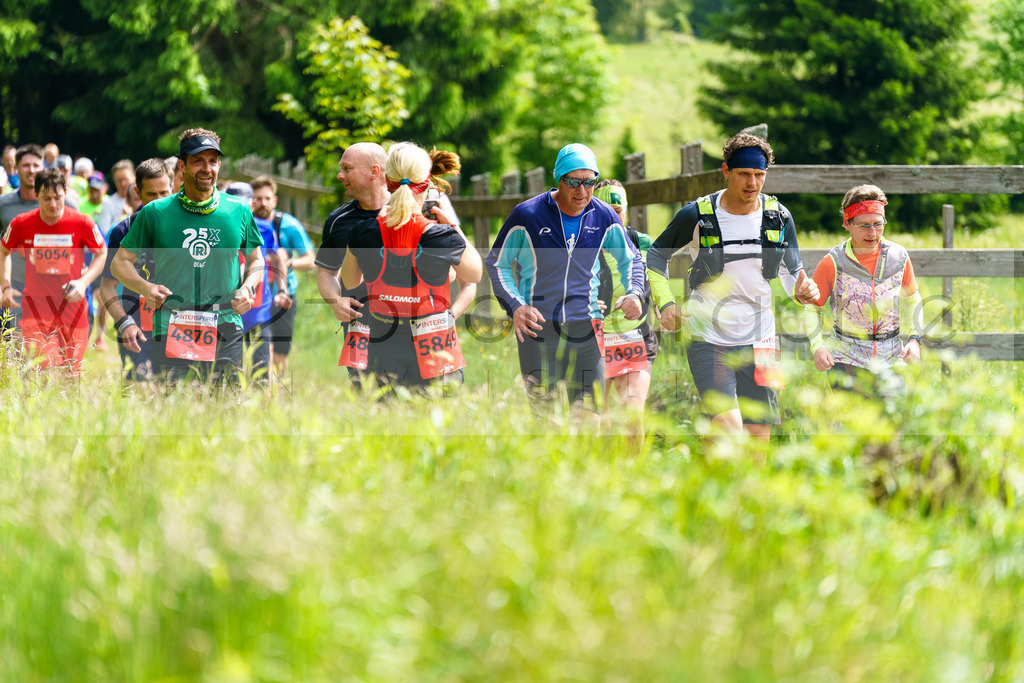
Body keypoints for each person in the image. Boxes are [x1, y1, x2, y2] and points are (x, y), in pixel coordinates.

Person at [646, 133, 819, 441]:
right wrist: (666, 303)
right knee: (728, 428)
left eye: (759, 175)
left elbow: (793, 273)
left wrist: (803, 291)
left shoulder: (778, 216)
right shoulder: (697, 214)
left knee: (757, 438)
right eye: (743, 174)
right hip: (708, 336)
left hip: (762, 339)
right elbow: (655, 257)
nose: (752, 183)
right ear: (726, 171)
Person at [486, 143, 645, 405]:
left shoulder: (603, 216)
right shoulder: (528, 214)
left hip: (587, 329)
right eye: (573, 182)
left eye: (590, 182)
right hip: (538, 328)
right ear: (559, 179)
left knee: (587, 418)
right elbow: (496, 263)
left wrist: (635, 292)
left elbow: (631, 259)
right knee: (545, 419)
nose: (582, 191)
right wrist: (516, 306)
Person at [111, 128, 264, 383]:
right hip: (172, 324)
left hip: (225, 321)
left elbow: (256, 259)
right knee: (177, 409)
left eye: (213, 161)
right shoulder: (156, 212)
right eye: (198, 161)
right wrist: (146, 287)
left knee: (225, 408)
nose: (207, 168)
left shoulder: (238, 210)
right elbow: (119, 263)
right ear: (181, 166)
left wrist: (248, 287)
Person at [339, 142, 482, 390]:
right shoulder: (441, 236)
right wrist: (454, 228)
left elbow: (351, 282)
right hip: (434, 342)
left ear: (387, 181)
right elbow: (475, 274)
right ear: (427, 184)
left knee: (385, 422)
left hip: (381, 343)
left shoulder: (362, 232)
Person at [803, 184, 923, 394]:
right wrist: (817, 346)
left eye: (878, 224)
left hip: (892, 359)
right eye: (864, 225)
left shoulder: (899, 257)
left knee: (891, 425)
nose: (872, 232)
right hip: (846, 358)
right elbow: (813, 308)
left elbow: (912, 299)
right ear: (847, 223)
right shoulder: (832, 262)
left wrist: (915, 340)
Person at [0, 168, 106, 376]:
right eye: (46, 198)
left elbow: (101, 253)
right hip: (36, 309)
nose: (53, 204)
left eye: (58, 197)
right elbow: (4, 250)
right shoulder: (21, 223)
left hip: (73, 309)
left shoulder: (82, 222)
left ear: (65, 193)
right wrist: (5, 285)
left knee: (71, 375)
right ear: (36, 195)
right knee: (43, 370)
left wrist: (83, 283)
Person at [315, 142, 390, 384]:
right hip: (360, 327)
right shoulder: (339, 219)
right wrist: (335, 301)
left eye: (347, 168)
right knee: (365, 397)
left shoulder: (409, 209)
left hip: (405, 325)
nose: (340, 175)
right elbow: (326, 273)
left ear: (374, 172)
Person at [593, 180, 658, 443]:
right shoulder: (581, 245)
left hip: (634, 337)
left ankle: (633, 474)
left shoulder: (642, 243)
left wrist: (660, 304)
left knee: (632, 415)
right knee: (603, 420)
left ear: (626, 211)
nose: (612, 216)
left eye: (617, 210)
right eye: (605, 209)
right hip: (594, 339)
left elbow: (658, 283)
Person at [98, 158, 173, 381]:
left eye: (165, 193)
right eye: (152, 195)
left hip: (181, 328)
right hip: (137, 329)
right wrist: (124, 323)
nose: (159, 201)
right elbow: (106, 288)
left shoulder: (190, 228)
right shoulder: (123, 231)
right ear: (138, 193)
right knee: (141, 394)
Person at [0, 144, 76, 337]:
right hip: (16, 292)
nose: (31, 170)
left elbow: (81, 241)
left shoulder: (64, 202)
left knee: (55, 358)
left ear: (44, 167)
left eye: (36, 165)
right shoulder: (3, 205)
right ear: (15, 169)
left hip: (56, 293)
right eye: (25, 165)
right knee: (17, 354)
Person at [250, 175, 315, 376]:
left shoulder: (289, 225)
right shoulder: (245, 223)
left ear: (275, 200)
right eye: (258, 198)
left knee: (280, 352)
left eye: (267, 198)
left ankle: (277, 391)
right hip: (256, 296)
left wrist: (288, 263)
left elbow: (311, 260)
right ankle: (261, 388)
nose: (263, 203)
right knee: (260, 349)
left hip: (284, 295)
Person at [225, 181, 289, 379]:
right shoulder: (220, 226)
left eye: (244, 204)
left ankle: (263, 407)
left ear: (251, 205)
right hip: (229, 310)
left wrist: (282, 290)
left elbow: (278, 258)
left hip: (259, 309)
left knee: (261, 367)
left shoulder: (264, 228)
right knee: (229, 369)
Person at [95, 159, 135, 235]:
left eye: (126, 179)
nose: (123, 184)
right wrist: (123, 218)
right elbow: (104, 233)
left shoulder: (143, 199)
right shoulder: (107, 203)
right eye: (119, 181)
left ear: (134, 177)